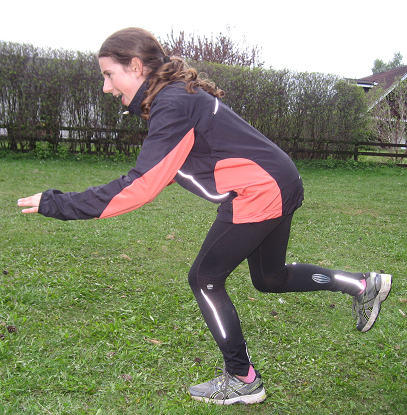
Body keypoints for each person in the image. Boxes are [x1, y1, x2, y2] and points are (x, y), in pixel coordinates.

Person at [17, 27, 392, 406]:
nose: (106, 87)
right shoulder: (173, 98)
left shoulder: (172, 103)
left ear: (135, 66)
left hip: (259, 190)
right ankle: (363, 285)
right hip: (275, 182)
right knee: (270, 278)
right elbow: (161, 171)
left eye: (109, 75)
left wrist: (57, 203)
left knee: (205, 278)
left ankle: (242, 379)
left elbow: (140, 186)